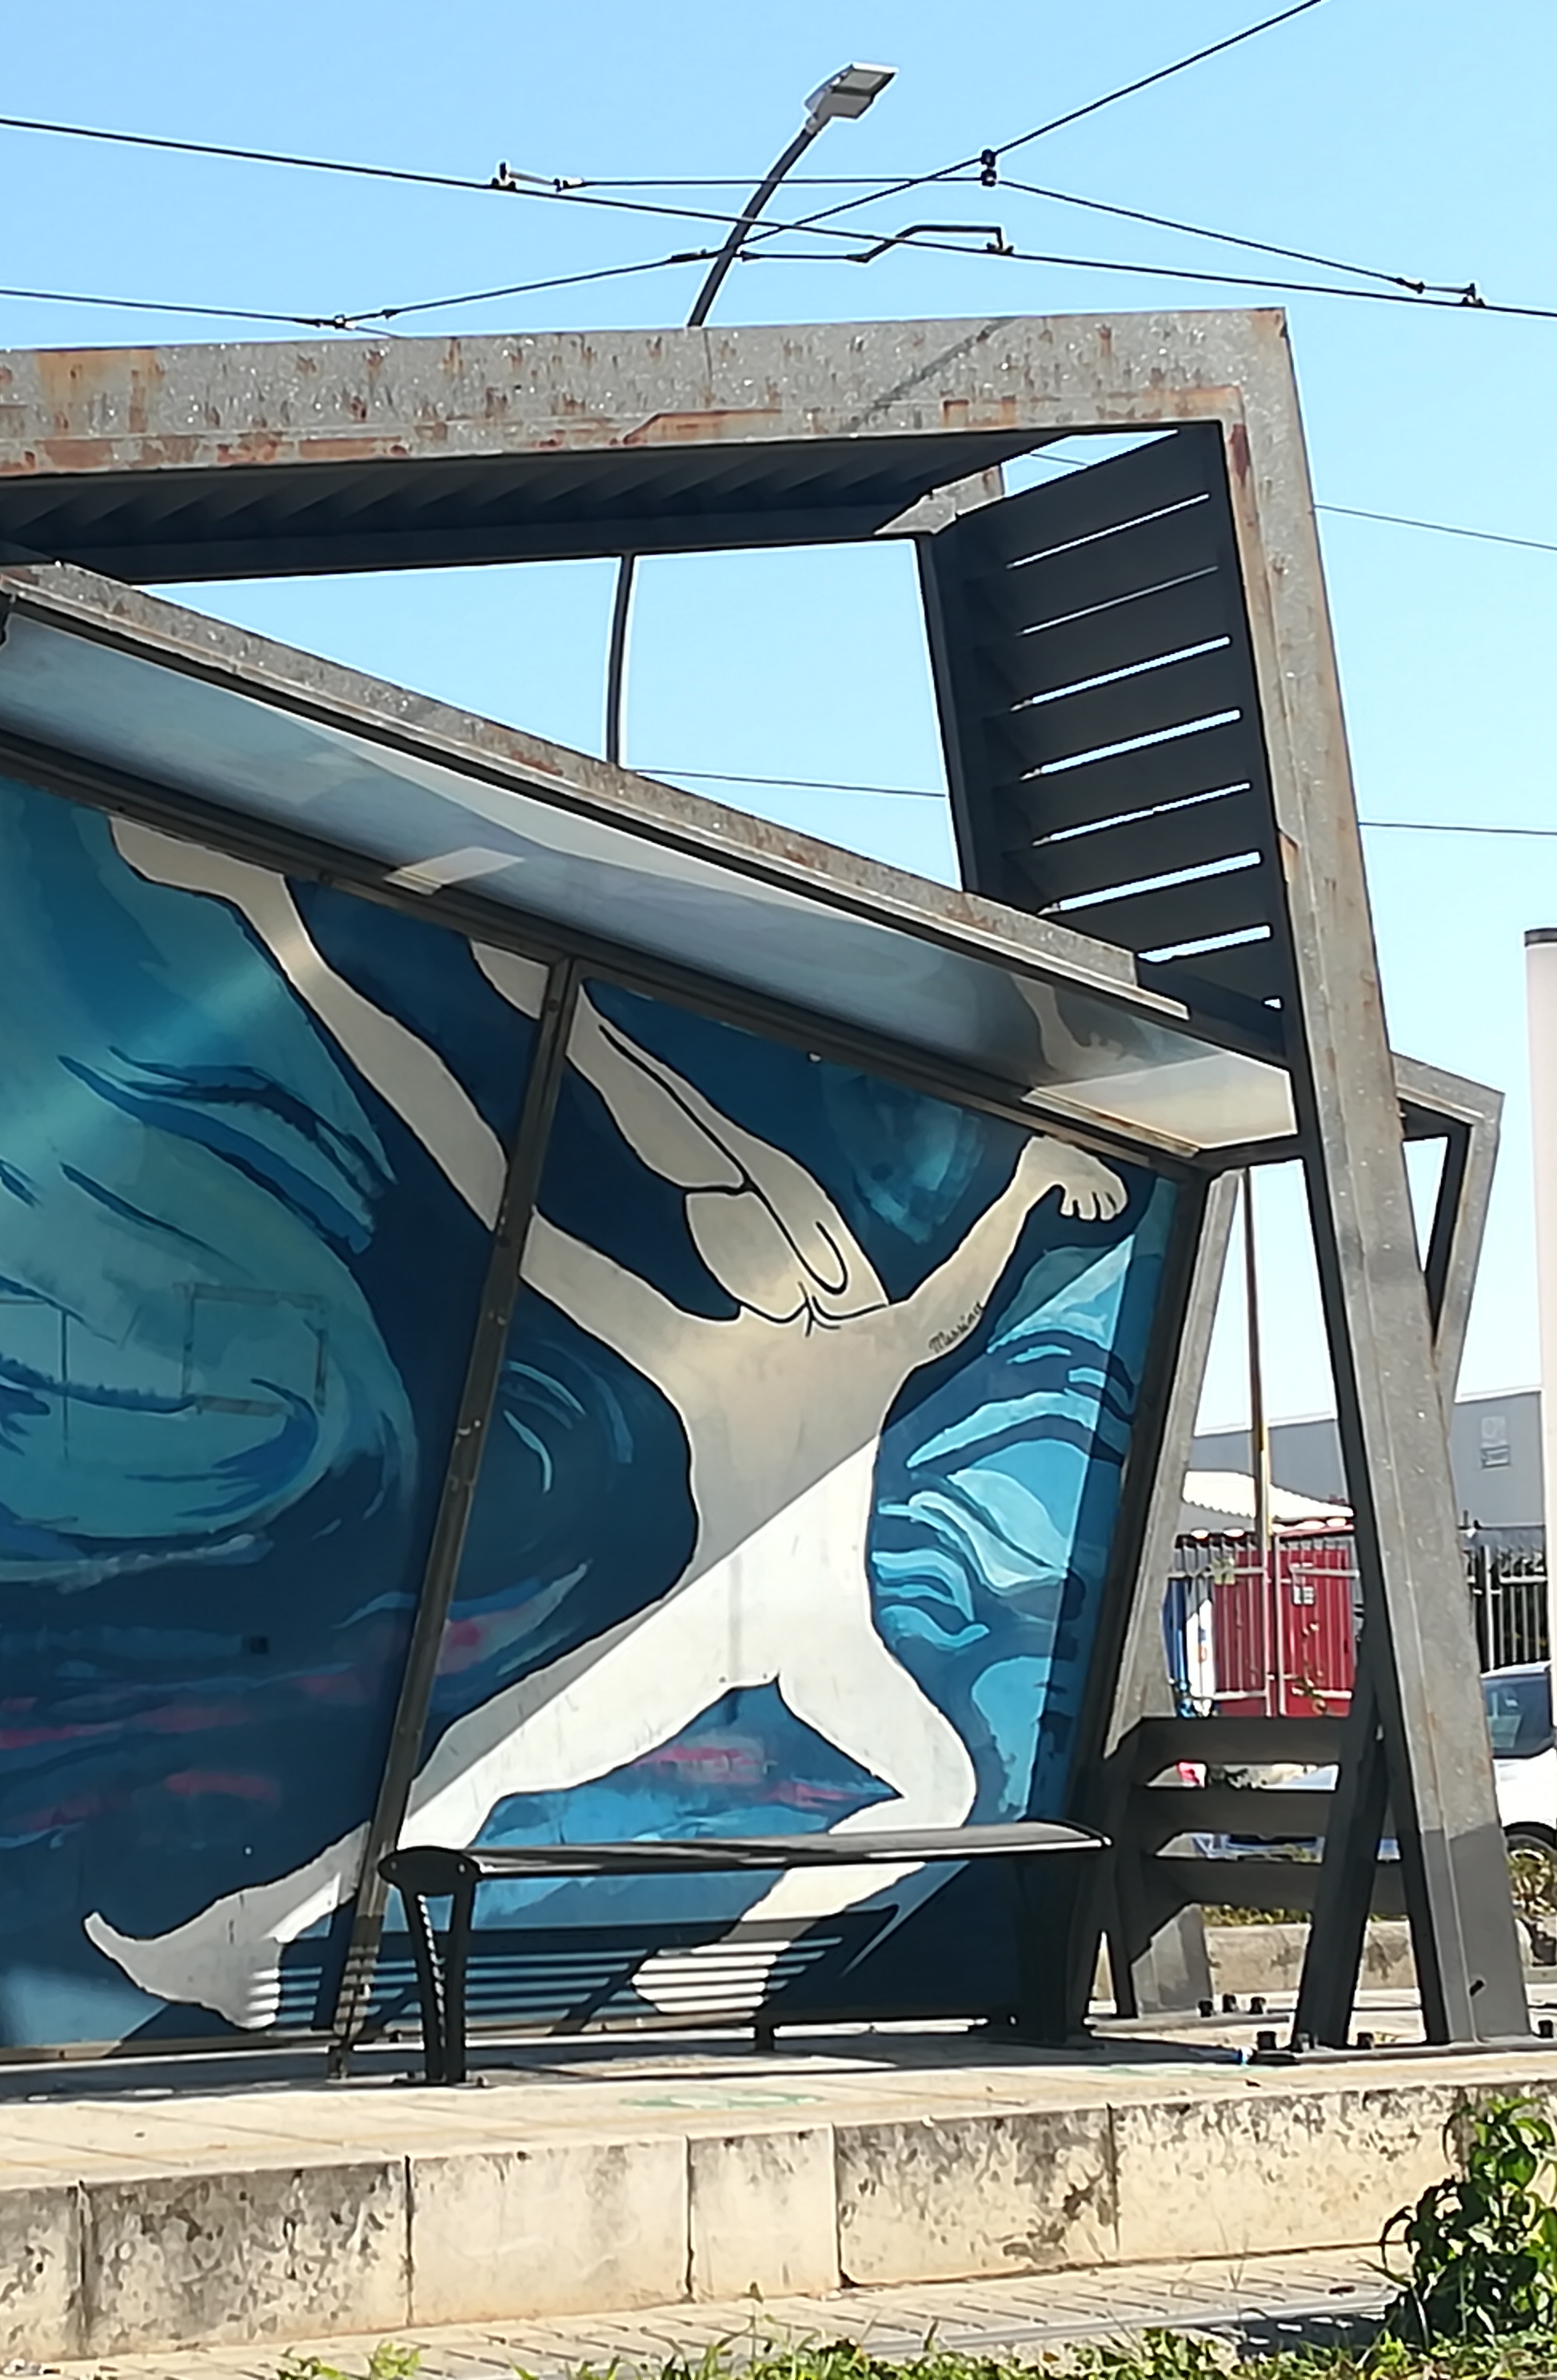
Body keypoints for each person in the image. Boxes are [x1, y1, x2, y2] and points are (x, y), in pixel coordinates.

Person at [86, 821, 1130, 2027]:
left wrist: (278, 922)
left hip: (782, 1640)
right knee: (479, 1789)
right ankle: (246, 1943)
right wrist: (1035, 1175)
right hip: (727, 1639)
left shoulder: (715, 1340)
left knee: (917, 1779)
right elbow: (946, 1278)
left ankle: (706, 1968)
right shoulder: (857, 1344)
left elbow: (488, 1154)